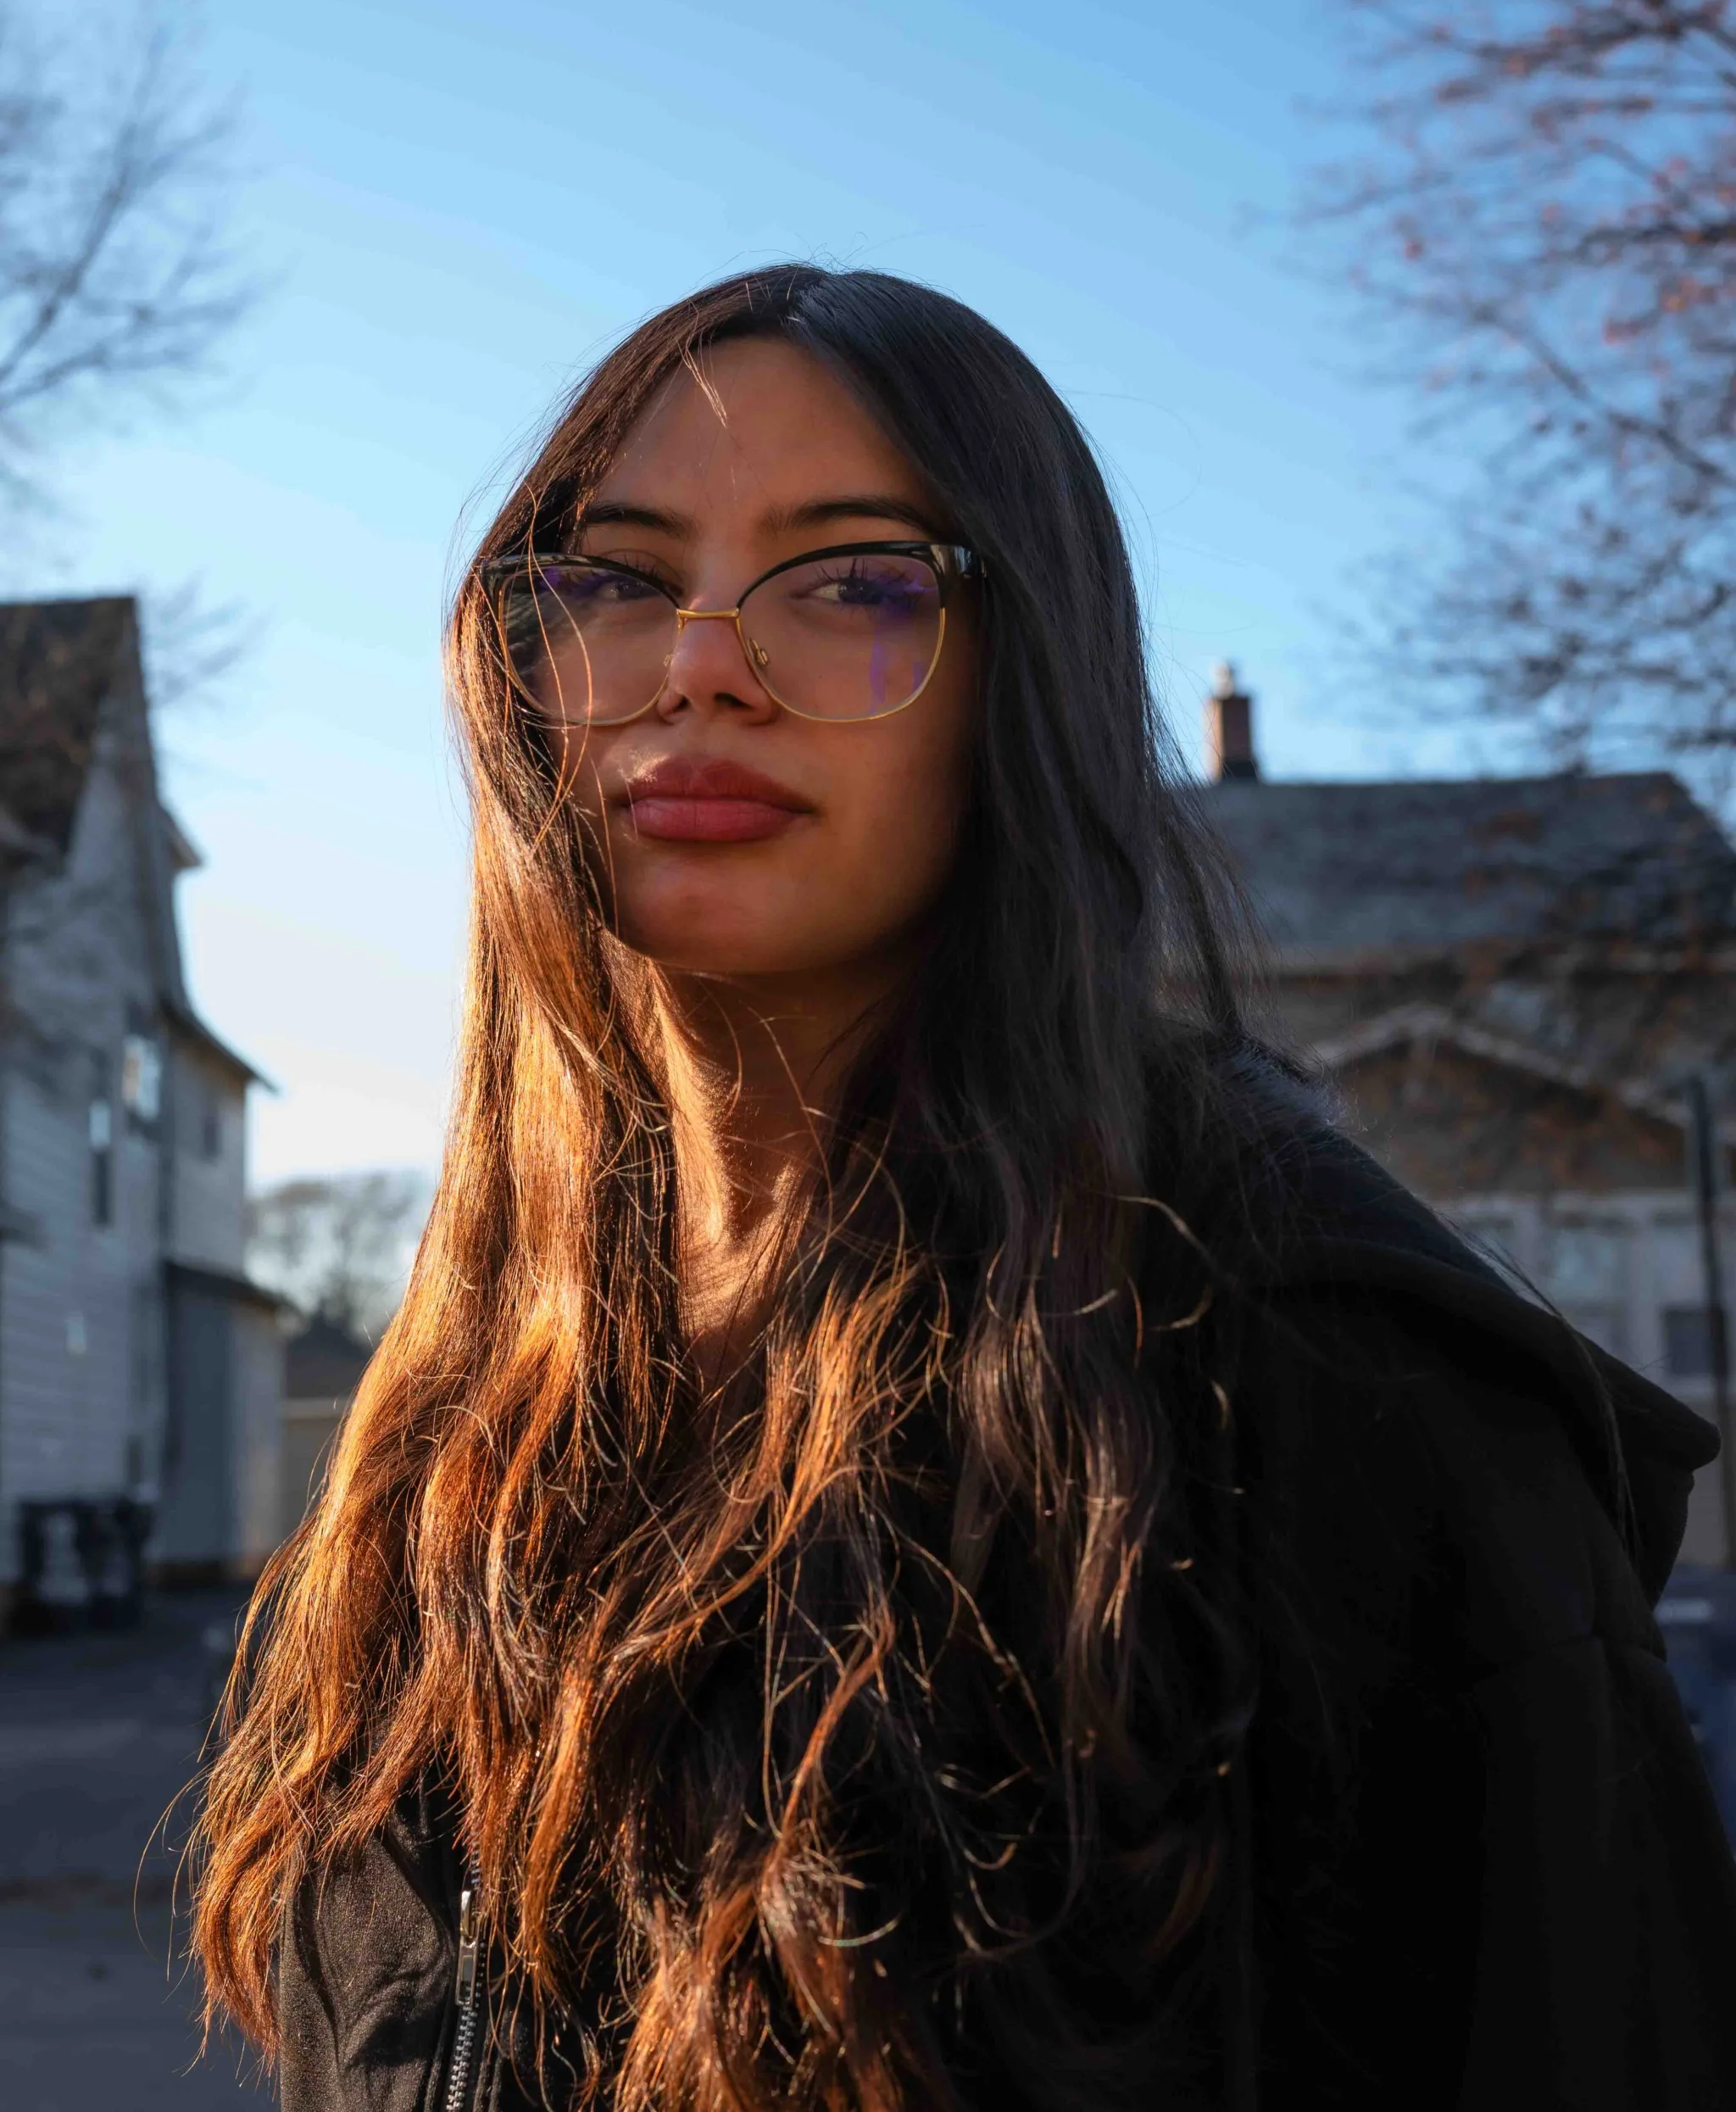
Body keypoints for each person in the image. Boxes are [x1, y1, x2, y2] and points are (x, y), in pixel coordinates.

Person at [192, 265, 1736, 2112]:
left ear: (1027, 676)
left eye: (855, 581)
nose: (697, 659)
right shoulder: (453, 1438)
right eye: (612, 577)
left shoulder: (1328, 1392)